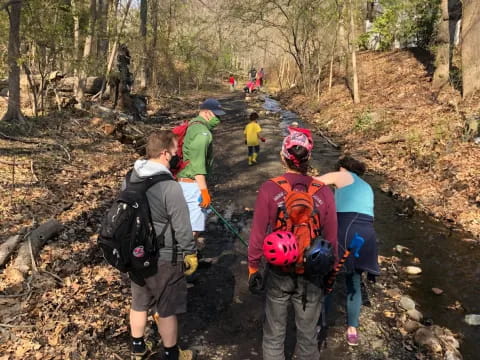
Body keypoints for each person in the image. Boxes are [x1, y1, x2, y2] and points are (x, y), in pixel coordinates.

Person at [248, 128, 338, 360]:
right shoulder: (324, 191)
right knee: (308, 335)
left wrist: (253, 267)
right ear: (308, 160)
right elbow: (332, 237)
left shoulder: (270, 188)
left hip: (279, 270)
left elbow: (258, 232)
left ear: (283, 157)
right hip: (313, 272)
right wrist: (332, 274)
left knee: (274, 332)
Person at [128, 130, 198, 360]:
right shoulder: (170, 187)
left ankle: (137, 349)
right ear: (164, 154)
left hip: (136, 251)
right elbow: (182, 226)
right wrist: (190, 252)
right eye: (175, 151)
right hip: (164, 255)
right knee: (166, 308)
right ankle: (171, 353)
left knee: (139, 302)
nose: (177, 155)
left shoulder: (131, 176)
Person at [314, 155, 380, 346]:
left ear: (342, 167)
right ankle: (352, 329)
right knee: (354, 281)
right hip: (367, 235)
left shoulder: (342, 174)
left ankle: (320, 324)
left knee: (328, 277)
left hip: (346, 229)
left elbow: (313, 183)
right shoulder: (367, 187)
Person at [176, 98, 225, 241]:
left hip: (184, 182)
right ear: (206, 113)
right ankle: (186, 257)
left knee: (186, 223)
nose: (219, 119)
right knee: (194, 227)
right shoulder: (202, 133)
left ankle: (184, 253)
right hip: (191, 185)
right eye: (217, 115)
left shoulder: (193, 124)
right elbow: (198, 166)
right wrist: (204, 191)